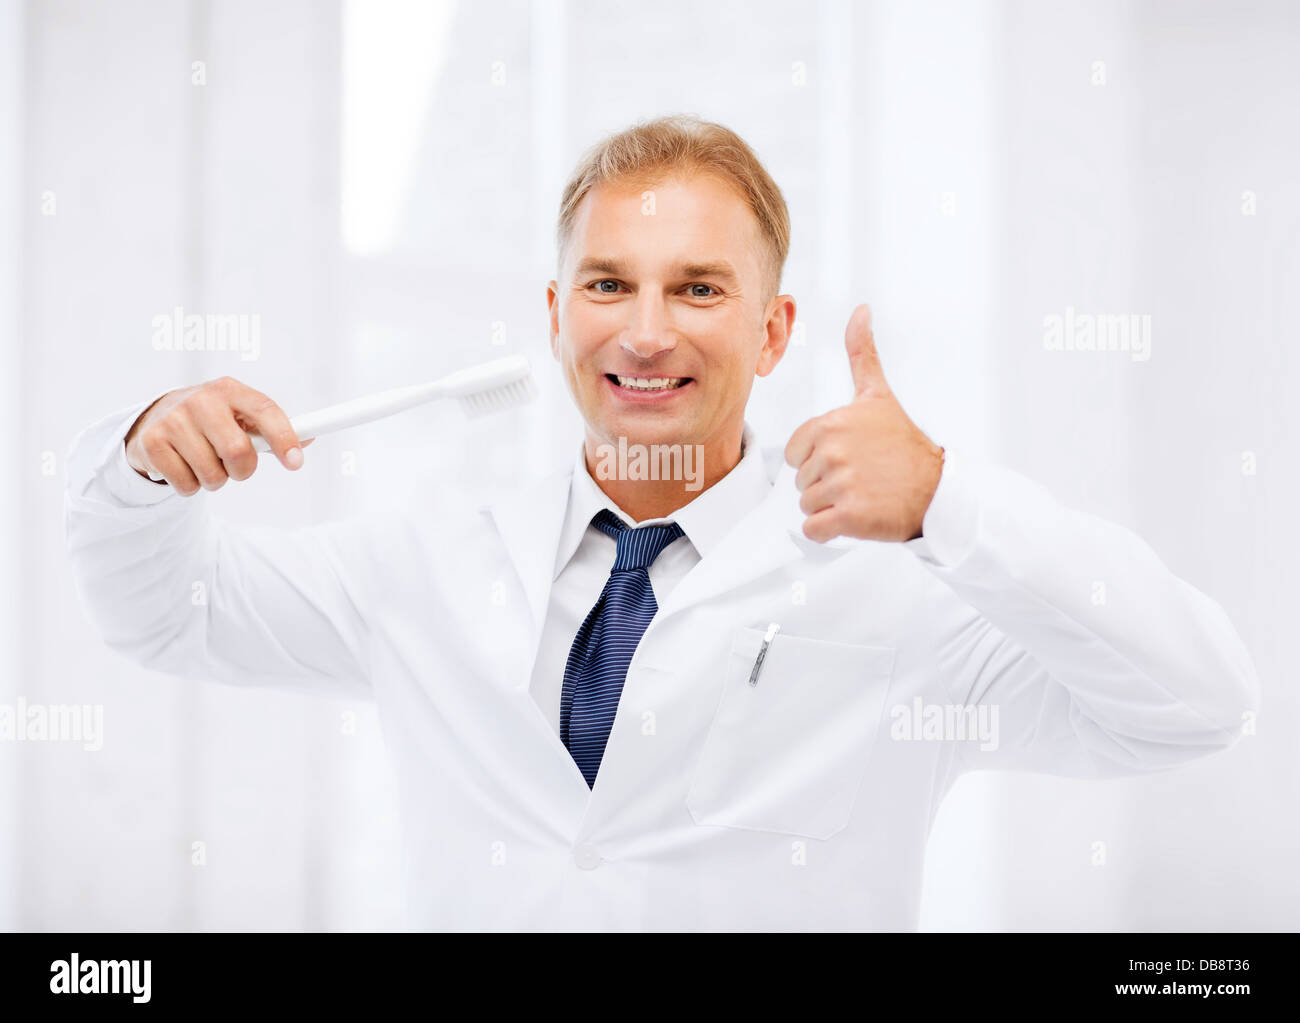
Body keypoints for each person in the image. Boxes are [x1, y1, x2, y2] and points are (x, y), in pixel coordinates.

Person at [64, 114, 1259, 931]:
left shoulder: (903, 595)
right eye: (607, 285)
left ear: (774, 330)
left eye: (697, 288)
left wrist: (949, 496)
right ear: (554, 313)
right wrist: (145, 463)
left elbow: (1194, 707)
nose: (645, 332)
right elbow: (164, 617)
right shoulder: (419, 561)